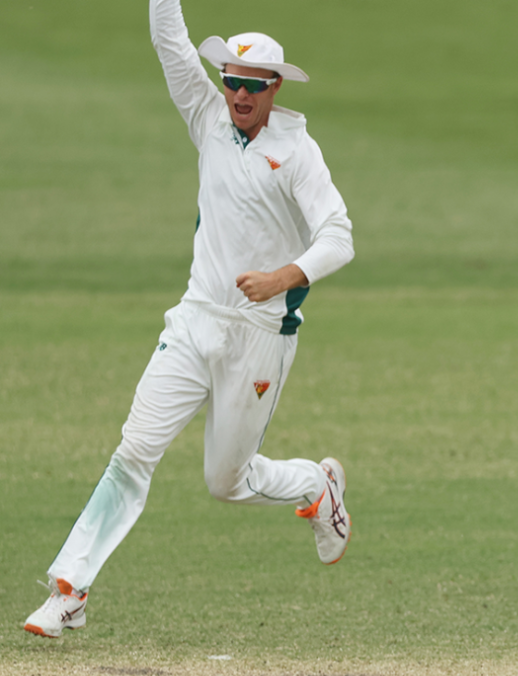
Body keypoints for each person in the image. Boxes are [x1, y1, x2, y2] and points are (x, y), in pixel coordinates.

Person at [22, 0, 354, 639]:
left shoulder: (297, 150)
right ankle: (70, 589)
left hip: (260, 334)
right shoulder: (207, 116)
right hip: (196, 319)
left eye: (253, 85)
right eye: (231, 80)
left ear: (274, 87)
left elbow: (339, 235)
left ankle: (316, 484)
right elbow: (170, 42)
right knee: (135, 449)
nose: (239, 94)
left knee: (225, 482)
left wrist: (282, 279)